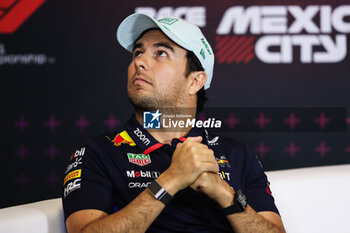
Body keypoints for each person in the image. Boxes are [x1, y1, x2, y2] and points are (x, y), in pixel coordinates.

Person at [62, 13, 286, 233]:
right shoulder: (98, 153)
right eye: (138, 52)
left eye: (160, 53)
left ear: (195, 81)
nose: (139, 61)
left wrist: (224, 194)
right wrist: (171, 180)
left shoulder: (238, 155)